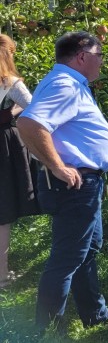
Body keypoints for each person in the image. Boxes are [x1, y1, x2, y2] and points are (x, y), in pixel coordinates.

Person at [17, 31, 108, 331]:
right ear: (82, 56)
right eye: (99, 55)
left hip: (84, 183)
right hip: (75, 184)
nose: (102, 62)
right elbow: (28, 122)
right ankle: (49, 331)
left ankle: (94, 312)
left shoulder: (67, 83)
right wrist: (58, 167)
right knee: (68, 256)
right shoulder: (65, 85)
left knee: (87, 249)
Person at [1, 34, 38, 288]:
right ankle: (1, 275)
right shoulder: (11, 83)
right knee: (3, 212)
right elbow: (34, 106)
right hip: (3, 147)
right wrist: (11, 111)